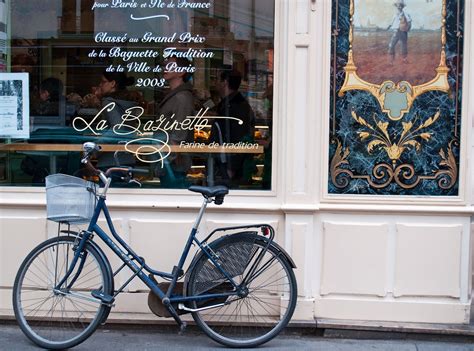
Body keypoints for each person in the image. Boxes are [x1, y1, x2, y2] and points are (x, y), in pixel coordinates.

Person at [209, 69, 256, 186]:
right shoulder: (230, 104)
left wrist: (231, 168)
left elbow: (241, 139)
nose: (215, 83)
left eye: (217, 79)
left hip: (229, 167)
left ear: (224, 82)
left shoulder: (237, 106)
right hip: (223, 163)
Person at [154, 57, 195, 188]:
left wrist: (167, 160)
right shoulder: (176, 95)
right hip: (168, 159)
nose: (165, 67)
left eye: (171, 65)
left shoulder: (182, 97)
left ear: (181, 72)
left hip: (173, 163)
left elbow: (179, 133)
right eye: (165, 64)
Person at [94, 71, 138, 167]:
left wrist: (97, 146)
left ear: (113, 83)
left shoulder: (109, 102)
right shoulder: (127, 102)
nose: (100, 85)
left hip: (110, 159)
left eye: (103, 82)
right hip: (127, 157)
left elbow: (117, 128)